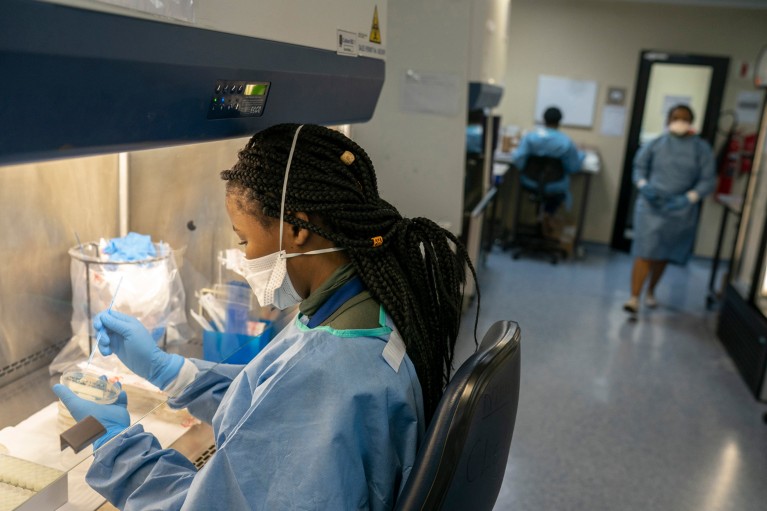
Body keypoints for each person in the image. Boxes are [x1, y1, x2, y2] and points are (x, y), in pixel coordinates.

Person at [53, 124, 478, 510]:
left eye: (244, 241)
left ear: (297, 229)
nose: (244, 258)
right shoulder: (361, 309)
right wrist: (170, 371)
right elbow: (273, 412)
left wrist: (117, 444)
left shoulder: (331, 372)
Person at [623, 104, 715, 314]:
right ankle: (634, 297)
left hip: (680, 209)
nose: (679, 122)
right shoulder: (656, 144)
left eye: (684, 118)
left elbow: (707, 180)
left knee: (663, 253)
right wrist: (644, 186)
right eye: (676, 117)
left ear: (691, 122)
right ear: (668, 120)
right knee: (645, 251)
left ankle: (651, 291)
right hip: (650, 206)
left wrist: (689, 197)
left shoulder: (701, 149)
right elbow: (638, 168)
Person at [512, 106, 585, 223]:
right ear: (559, 121)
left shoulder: (530, 137)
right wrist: (581, 155)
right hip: (555, 184)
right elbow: (573, 167)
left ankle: (538, 220)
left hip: (529, 181)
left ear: (543, 119)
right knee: (558, 193)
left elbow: (518, 159)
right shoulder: (566, 142)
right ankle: (548, 215)